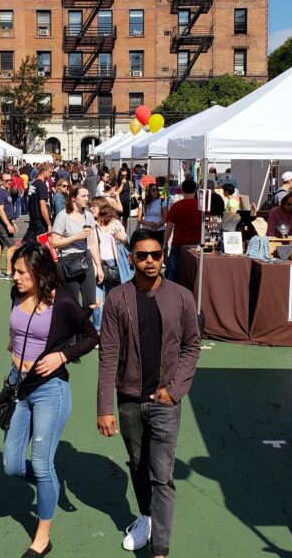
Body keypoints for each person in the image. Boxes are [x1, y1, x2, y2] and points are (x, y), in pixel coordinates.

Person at [97, 230, 201, 557]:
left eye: (155, 254)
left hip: (165, 402)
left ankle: (160, 549)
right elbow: (109, 354)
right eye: (142, 255)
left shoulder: (182, 297)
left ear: (163, 257)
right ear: (131, 258)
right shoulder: (118, 298)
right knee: (138, 465)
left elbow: (191, 346)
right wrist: (104, 407)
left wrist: (176, 390)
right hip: (129, 400)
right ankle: (145, 517)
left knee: (163, 476)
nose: (150, 261)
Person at [2, 244, 98, 558]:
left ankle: (42, 538)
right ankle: (49, 484)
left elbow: (91, 337)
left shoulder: (64, 303)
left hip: (49, 391)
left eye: (20, 272)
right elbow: (16, 327)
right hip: (18, 386)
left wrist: (62, 355)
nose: (14, 277)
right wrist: (13, 346)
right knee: (12, 466)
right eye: (14, 271)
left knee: (42, 464)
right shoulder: (16, 294)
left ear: (39, 272)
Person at [50, 185, 103, 313]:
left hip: (85, 257)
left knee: (91, 303)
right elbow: (55, 243)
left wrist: (99, 265)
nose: (87, 198)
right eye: (83, 196)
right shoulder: (63, 216)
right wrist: (76, 237)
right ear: (73, 198)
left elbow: (92, 242)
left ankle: (80, 327)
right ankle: (75, 331)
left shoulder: (88, 215)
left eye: (87, 196)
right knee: (72, 305)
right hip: (68, 260)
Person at [92, 196, 127, 332]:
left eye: (94, 206)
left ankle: (112, 330)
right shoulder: (91, 225)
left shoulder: (115, 223)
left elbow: (125, 242)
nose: (91, 208)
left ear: (102, 208)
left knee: (113, 302)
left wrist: (122, 238)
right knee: (97, 303)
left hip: (113, 265)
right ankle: (98, 330)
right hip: (97, 264)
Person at [163, 178, 202, 281]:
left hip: (178, 244)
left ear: (182, 190)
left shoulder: (176, 206)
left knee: (174, 274)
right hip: (197, 245)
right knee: (194, 276)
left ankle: (172, 295)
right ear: (195, 190)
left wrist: (164, 243)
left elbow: (169, 227)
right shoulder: (201, 207)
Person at [0, 173, 19, 280]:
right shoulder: (0, 192)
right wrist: (8, 225)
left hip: (5, 222)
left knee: (0, 246)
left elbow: (7, 210)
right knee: (12, 246)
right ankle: (9, 273)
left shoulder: (6, 192)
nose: (9, 182)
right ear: (1, 181)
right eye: (6, 180)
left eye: (10, 180)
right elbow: (0, 209)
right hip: (2, 223)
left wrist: (13, 222)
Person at [23, 164, 54, 245]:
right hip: (40, 222)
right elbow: (43, 206)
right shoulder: (41, 185)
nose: (51, 174)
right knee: (43, 247)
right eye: (50, 172)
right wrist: (49, 224)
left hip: (33, 220)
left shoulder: (33, 184)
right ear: (44, 172)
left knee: (30, 245)